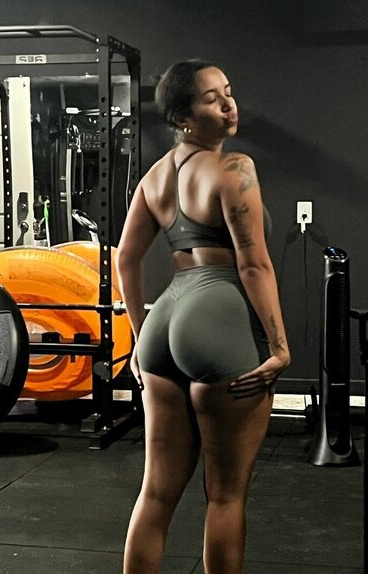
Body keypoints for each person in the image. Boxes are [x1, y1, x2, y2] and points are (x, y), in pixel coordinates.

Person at [116, 60, 290, 574]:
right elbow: (253, 265)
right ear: (183, 117)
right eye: (212, 99)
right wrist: (280, 347)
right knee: (225, 496)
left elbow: (125, 259)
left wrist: (138, 336)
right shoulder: (234, 169)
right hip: (217, 318)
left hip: (164, 322)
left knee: (156, 492)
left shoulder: (153, 178)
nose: (229, 105)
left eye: (228, 92)